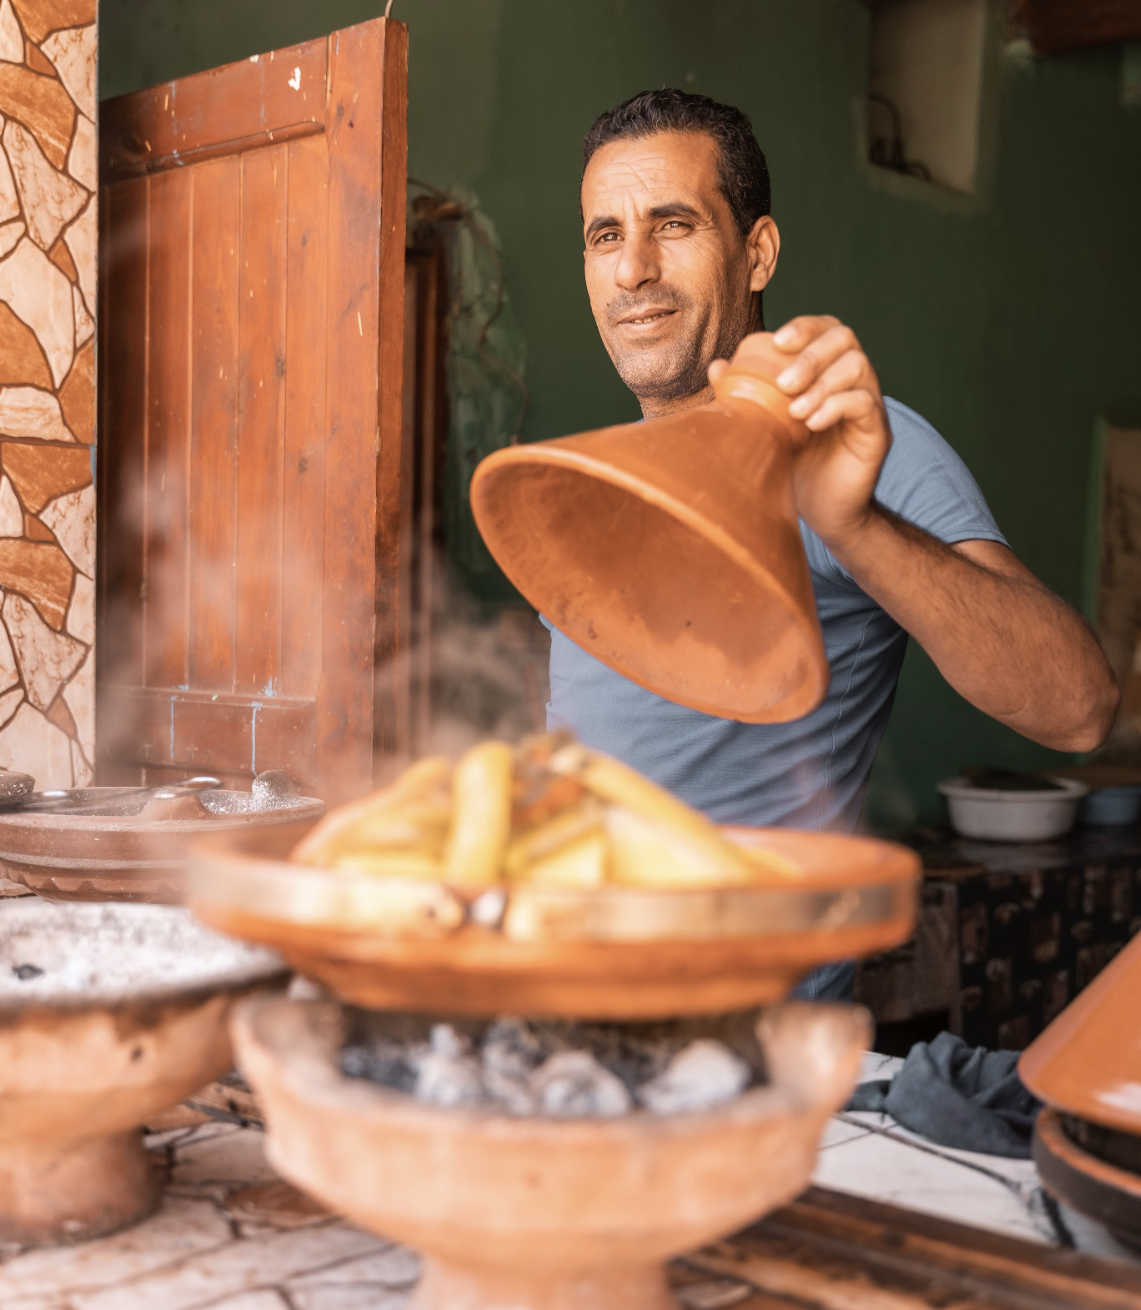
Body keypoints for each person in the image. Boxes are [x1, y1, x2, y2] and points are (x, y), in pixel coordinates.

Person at [543, 89, 1119, 1000]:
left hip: (747, 1047)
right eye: (603, 235)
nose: (632, 269)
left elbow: (1077, 708)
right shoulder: (594, 481)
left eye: (673, 224)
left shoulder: (848, 441)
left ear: (757, 252)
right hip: (561, 1009)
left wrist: (848, 522)